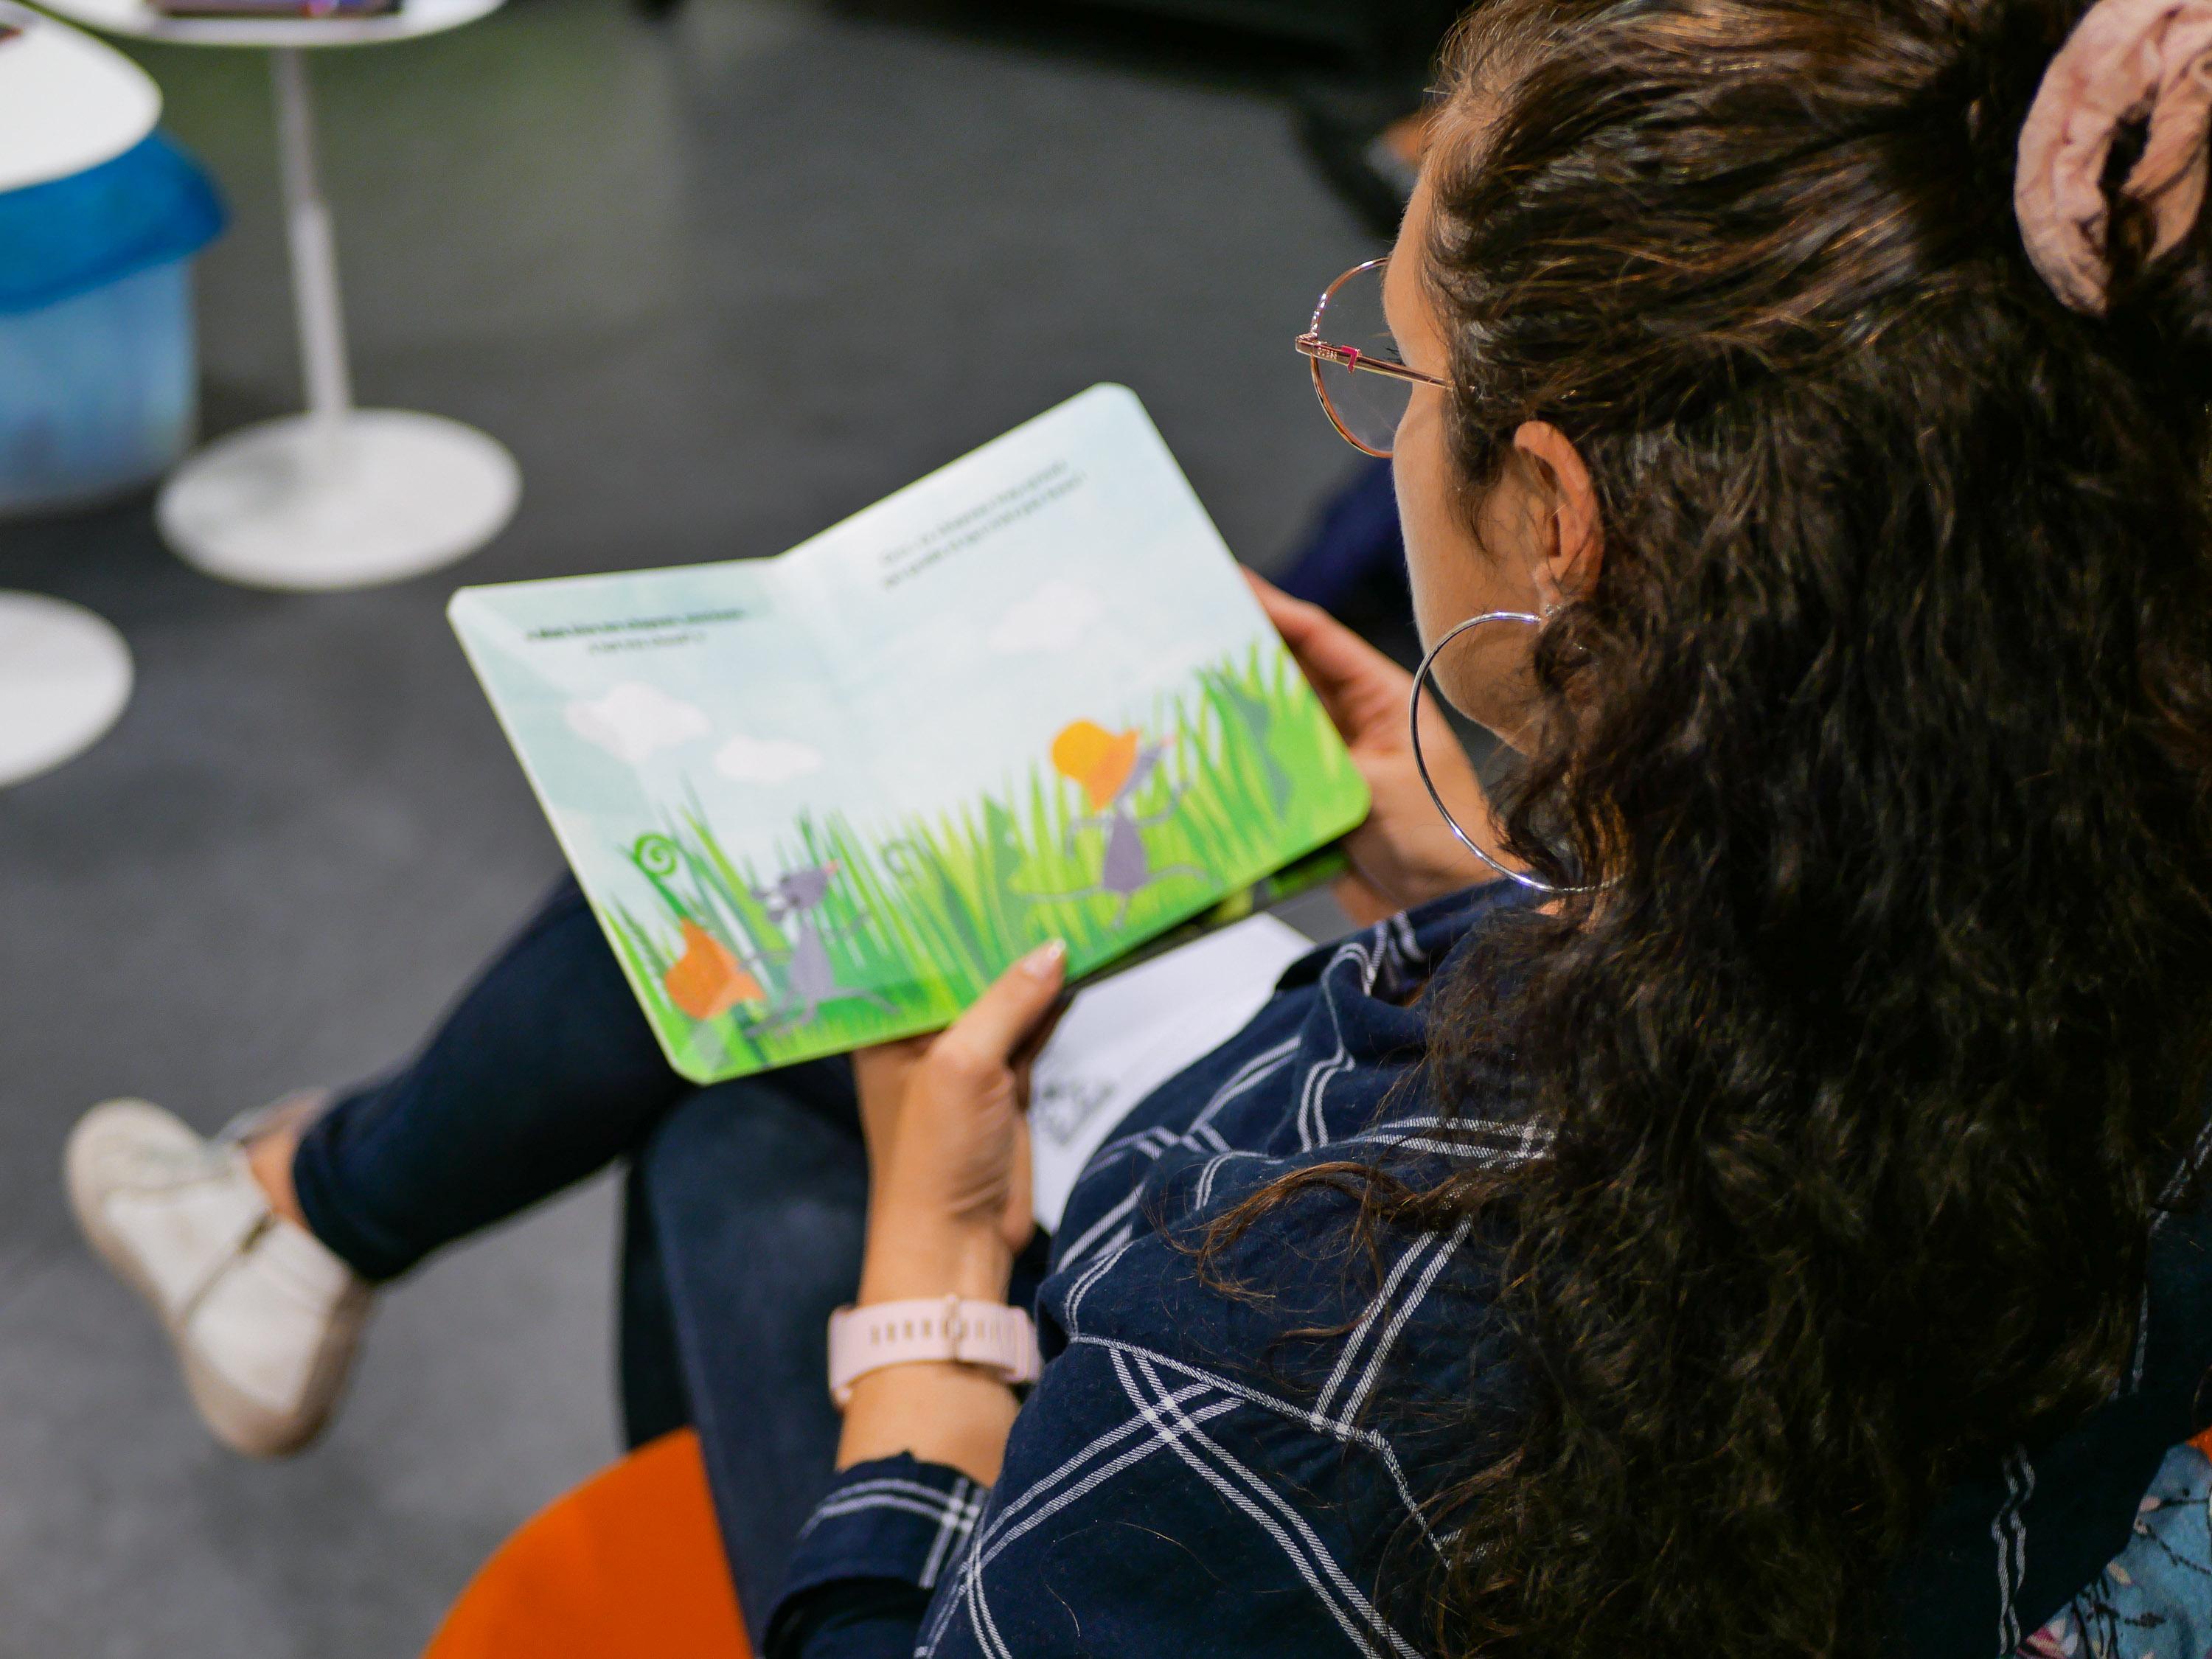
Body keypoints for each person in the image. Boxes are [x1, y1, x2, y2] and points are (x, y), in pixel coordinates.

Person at [65, 4, 2212, 1659]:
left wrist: (929, 1303)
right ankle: (307, 1216)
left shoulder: (1319, 1306)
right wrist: (1512, 874)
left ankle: (313, 1210)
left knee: (757, 1112)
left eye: (1403, 373)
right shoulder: (2119, 895)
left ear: (1556, 523)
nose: (1384, 422)